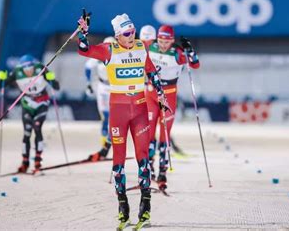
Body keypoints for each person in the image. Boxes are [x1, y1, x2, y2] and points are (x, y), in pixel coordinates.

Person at [77, 12, 168, 227]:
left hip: (139, 110)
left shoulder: (139, 48)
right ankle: (123, 206)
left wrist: (160, 92)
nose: (131, 35)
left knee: (143, 157)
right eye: (127, 33)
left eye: (133, 31)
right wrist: (83, 33)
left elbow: (151, 71)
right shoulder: (109, 50)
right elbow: (84, 50)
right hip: (118, 111)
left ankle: (145, 205)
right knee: (118, 160)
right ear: (118, 35)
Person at [144, 25, 200, 190]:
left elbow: (195, 65)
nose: (163, 44)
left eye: (166, 41)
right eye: (160, 40)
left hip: (168, 95)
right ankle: (148, 168)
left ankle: (162, 172)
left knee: (164, 136)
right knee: (148, 133)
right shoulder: (150, 46)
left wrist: (190, 51)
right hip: (151, 93)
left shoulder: (177, 53)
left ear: (172, 41)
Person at [0, 54, 60, 175]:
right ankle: (25, 163)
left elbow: (56, 87)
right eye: (25, 68)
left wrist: (52, 79)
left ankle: (37, 163)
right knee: (27, 132)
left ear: (34, 65)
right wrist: (1, 79)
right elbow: (1, 84)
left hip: (42, 102)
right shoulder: (17, 72)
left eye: (30, 67)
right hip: (27, 103)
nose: (28, 70)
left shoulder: (41, 69)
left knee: (37, 128)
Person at [83, 36, 115, 161]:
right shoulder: (99, 54)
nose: (108, 49)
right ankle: (104, 146)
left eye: (111, 46)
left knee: (114, 118)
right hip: (102, 87)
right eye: (107, 46)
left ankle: (108, 146)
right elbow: (88, 67)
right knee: (105, 117)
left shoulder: (117, 54)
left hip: (114, 87)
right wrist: (88, 84)